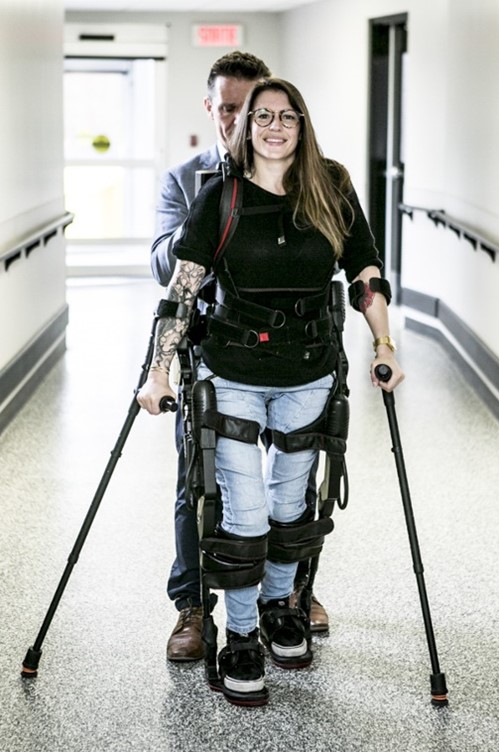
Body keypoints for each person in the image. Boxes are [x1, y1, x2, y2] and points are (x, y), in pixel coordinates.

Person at [138, 77, 404, 706]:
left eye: (287, 116)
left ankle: (281, 605)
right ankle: (240, 634)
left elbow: (365, 270)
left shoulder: (331, 187)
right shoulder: (222, 194)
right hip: (231, 371)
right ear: (245, 126)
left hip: (308, 370)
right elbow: (182, 289)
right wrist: (158, 370)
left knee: (291, 507)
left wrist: (384, 344)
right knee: (245, 511)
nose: (275, 127)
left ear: (302, 125)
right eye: (263, 116)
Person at [151, 52, 329, 664]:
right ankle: (194, 603)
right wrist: (214, 215)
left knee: (292, 481)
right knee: (202, 481)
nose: (242, 120)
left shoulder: (305, 176)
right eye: (230, 109)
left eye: (252, 109)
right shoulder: (189, 180)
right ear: (213, 108)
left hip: (293, 356)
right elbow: (164, 266)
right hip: (213, 349)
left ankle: (293, 590)